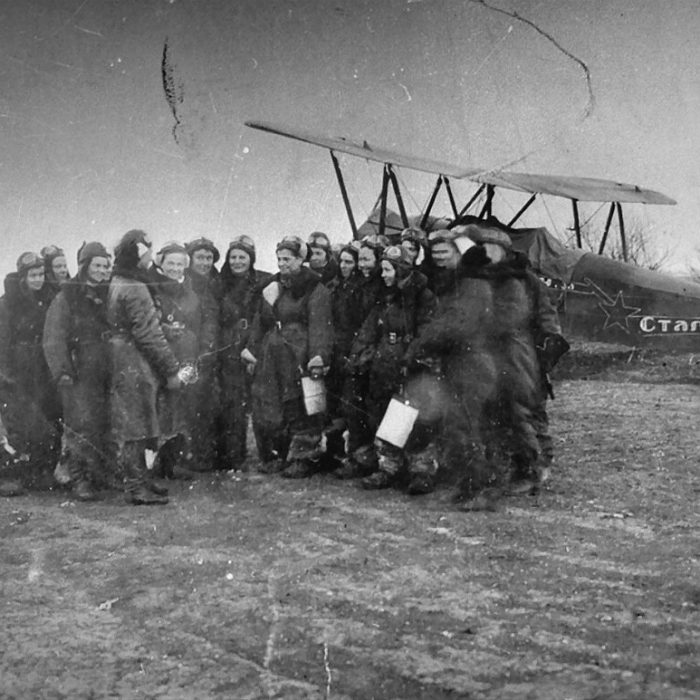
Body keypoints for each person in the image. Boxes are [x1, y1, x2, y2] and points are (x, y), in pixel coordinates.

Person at [347, 245, 437, 490]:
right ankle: (388, 466)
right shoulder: (385, 296)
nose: (384, 275)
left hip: (412, 366)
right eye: (383, 270)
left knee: (416, 417)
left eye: (388, 270)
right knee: (384, 414)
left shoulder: (423, 296)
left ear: (401, 270)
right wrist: (360, 354)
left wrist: (412, 359)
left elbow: (427, 332)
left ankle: (421, 470)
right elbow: (369, 329)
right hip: (384, 363)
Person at [244, 235, 333, 478]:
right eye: (279, 259)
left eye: (288, 259)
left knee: (301, 405)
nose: (282, 263)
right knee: (273, 403)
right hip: (272, 354)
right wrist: (251, 349)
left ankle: (306, 457)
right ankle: (281, 454)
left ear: (300, 260)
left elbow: (320, 326)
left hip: (299, 354)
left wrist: (318, 356)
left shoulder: (315, 288)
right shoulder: (274, 287)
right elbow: (260, 321)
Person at [107, 230, 181, 505]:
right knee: (137, 424)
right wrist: (171, 369)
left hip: (123, 355)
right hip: (134, 360)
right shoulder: (136, 287)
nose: (151, 256)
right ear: (139, 254)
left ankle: (141, 480)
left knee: (136, 421)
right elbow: (148, 335)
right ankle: (136, 486)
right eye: (148, 251)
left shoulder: (119, 281)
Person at [43, 242, 114, 501]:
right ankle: (80, 478)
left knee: (105, 424)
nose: (101, 270)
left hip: (107, 370)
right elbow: (53, 337)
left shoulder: (111, 294)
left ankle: (101, 473)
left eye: (105, 265)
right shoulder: (66, 298)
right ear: (84, 267)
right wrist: (62, 371)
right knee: (80, 427)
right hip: (79, 373)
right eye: (96, 265)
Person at [0, 252, 61, 488]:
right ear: (23, 277)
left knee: (48, 418)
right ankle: (13, 474)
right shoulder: (7, 304)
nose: (38, 280)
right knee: (22, 423)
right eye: (32, 275)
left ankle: (42, 471)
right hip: (19, 369)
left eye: (41, 275)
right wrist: (4, 374)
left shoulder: (49, 299)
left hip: (43, 367)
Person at [218, 235, 272, 470]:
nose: (237, 262)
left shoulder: (264, 281)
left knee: (262, 400)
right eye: (233, 257)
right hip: (229, 347)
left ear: (251, 259)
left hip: (255, 345)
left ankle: (268, 454)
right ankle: (233, 455)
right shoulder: (219, 282)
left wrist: (255, 346)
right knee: (233, 402)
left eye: (242, 257)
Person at [151, 242, 203, 479]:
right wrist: (164, 329)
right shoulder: (152, 288)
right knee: (160, 405)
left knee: (183, 405)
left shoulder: (191, 292)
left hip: (187, 353)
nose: (175, 268)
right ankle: (154, 463)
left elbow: (198, 322)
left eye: (180, 263)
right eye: (170, 263)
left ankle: (174, 461)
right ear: (161, 264)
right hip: (161, 355)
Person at [324, 244, 364, 472]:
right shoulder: (333, 287)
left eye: (350, 262)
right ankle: (333, 450)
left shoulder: (361, 289)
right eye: (342, 262)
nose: (345, 266)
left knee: (351, 404)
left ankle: (355, 456)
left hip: (353, 350)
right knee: (333, 402)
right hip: (336, 350)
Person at [184, 237, 222, 471]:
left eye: (209, 258)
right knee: (191, 406)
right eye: (200, 257)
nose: (205, 262)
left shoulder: (216, 282)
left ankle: (207, 455)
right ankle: (192, 456)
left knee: (210, 405)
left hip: (211, 350)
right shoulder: (184, 283)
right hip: (190, 351)